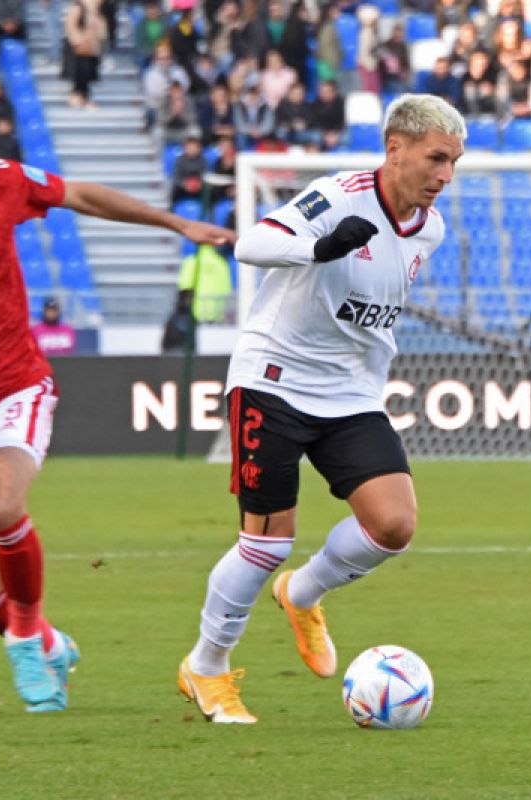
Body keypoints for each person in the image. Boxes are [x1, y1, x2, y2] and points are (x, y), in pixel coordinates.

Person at [0, 73, 236, 713]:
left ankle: (26, 640)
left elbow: (79, 193)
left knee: (0, 504)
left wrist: (173, 223)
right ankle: (45, 638)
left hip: (13, 388)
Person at [177, 94, 465, 724]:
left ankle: (302, 593)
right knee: (266, 542)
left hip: (351, 393)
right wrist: (320, 249)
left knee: (394, 526)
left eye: (454, 163)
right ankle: (206, 668)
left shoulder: (432, 228)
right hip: (274, 379)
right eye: (436, 158)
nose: (445, 175)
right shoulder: (337, 194)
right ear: (396, 148)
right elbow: (252, 244)